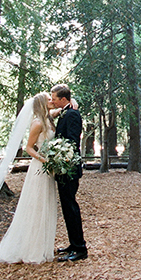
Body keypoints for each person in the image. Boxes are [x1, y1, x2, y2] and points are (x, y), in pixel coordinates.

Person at [0, 92, 58, 263]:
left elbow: (59, 110)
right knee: (37, 205)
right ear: (41, 104)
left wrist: (72, 102)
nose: (51, 101)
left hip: (47, 168)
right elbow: (29, 148)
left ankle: (42, 245)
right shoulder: (38, 123)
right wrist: (45, 160)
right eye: (48, 99)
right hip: (40, 167)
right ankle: (31, 248)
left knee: (45, 204)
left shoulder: (48, 118)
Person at [51, 83, 88, 262]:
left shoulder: (72, 114)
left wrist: (62, 158)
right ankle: (73, 244)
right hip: (63, 168)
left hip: (69, 168)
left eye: (55, 99)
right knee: (67, 207)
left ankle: (80, 248)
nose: (53, 101)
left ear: (64, 99)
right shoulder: (65, 111)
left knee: (71, 207)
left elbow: (72, 142)